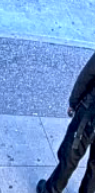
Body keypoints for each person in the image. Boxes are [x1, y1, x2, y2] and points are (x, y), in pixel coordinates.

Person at [37, 53, 95, 193]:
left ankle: (52, 190)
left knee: (70, 154)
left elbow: (87, 76)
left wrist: (74, 102)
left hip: (90, 113)